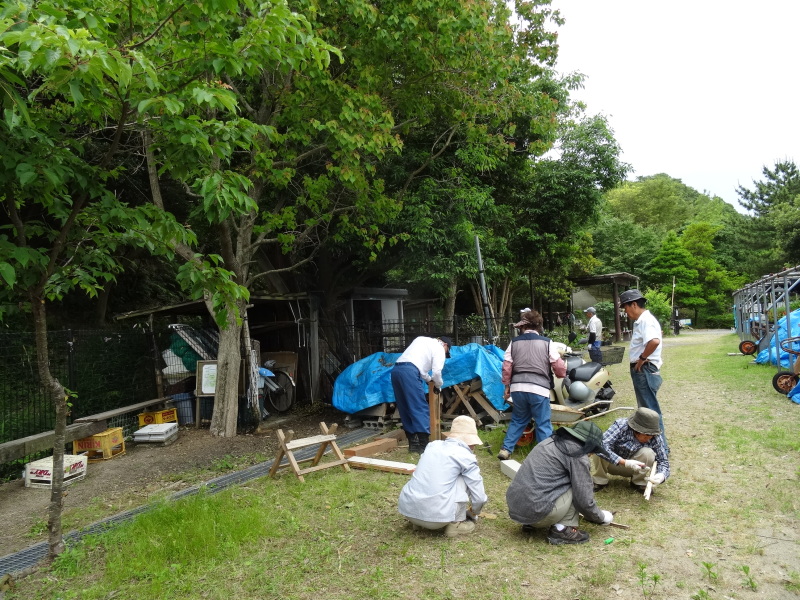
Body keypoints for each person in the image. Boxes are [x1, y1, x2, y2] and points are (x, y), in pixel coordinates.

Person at [506, 421, 614, 545]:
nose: (591, 454)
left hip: (517, 507)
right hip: (537, 511)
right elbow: (584, 499)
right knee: (576, 486)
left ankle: (531, 523)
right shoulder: (577, 455)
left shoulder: (548, 442)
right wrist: (601, 517)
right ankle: (562, 530)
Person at [398, 415, 488, 537]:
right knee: (462, 478)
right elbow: (480, 498)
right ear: (471, 442)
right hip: (437, 519)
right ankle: (456, 524)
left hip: (408, 511)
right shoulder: (466, 457)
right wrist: (473, 513)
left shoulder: (432, 446)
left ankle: (418, 523)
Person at [497, 310, 566, 460]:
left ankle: (506, 450)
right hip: (539, 388)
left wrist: (507, 386)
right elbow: (558, 366)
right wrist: (562, 375)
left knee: (519, 419)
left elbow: (507, 366)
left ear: (523, 327)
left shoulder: (514, 343)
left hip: (518, 388)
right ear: (539, 326)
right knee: (542, 422)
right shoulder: (547, 343)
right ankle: (546, 456)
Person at [619, 289, 668, 451]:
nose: (625, 312)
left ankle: (661, 448)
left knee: (651, 411)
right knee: (647, 409)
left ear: (634, 304)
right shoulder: (643, 320)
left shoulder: (646, 320)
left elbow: (654, 341)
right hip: (644, 369)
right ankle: (655, 445)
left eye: (625, 307)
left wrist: (641, 359)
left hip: (645, 369)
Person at [391, 335, 453, 453]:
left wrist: (429, 380)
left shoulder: (420, 340)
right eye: (447, 352)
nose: (445, 354)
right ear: (445, 345)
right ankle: (423, 447)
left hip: (396, 371)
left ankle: (413, 445)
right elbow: (437, 372)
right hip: (410, 372)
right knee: (419, 407)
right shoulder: (439, 348)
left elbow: (421, 369)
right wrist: (438, 385)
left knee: (405, 408)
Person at [591, 407, 670, 494]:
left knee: (648, 453)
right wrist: (624, 462)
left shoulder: (655, 436)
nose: (648, 439)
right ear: (636, 430)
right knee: (599, 449)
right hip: (611, 464)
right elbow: (601, 445)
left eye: (651, 435)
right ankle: (600, 480)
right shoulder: (620, 425)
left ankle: (638, 481)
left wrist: (661, 475)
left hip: (636, 468)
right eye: (646, 435)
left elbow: (663, 461)